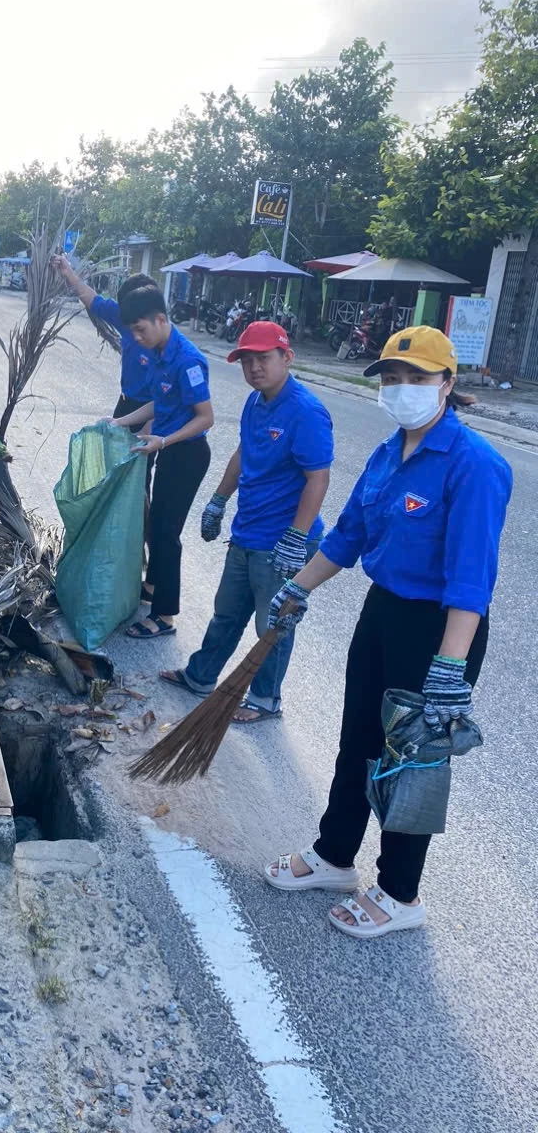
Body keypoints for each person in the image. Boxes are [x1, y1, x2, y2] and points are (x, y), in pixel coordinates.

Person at [264, 327, 511, 938]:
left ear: (447, 384)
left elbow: (470, 579)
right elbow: (348, 534)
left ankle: (401, 892)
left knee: (412, 760)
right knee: (359, 740)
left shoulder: (475, 465)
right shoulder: (386, 454)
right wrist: (298, 586)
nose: (402, 389)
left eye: (418, 378)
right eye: (393, 379)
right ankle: (334, 855)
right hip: (382, 613)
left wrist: (450, 668)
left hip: (439, 630)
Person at [160, 321, 333, 720]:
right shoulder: (255, 402)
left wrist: (296, 537)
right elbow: (242, 453)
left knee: (271, 626)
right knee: (227, 613)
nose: (255, 368)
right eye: (247, 361)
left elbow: (318, 479)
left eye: (264, 358)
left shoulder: (306, 412)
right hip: (247, 533)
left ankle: (265, 699)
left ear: (287, 358)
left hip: (283, 542)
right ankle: (201, 675)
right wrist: (218, 500)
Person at [107, 286, 213, 638]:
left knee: (167, 534)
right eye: (132, 331)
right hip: (167, 448)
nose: (137, 338)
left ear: (161, 319)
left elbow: (206, 417)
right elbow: (159, 403)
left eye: (141, 329)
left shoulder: (188, 360)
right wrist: (120, 421)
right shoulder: (158, 353)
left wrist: (164, 441)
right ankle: (152, 586)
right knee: (155, 524)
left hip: (188, 454)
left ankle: (164, 616)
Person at [52, 254, 159, 423]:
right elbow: (93, 300)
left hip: (151, 412)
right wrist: (67, 271)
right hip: (126, 402)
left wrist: (148, 427)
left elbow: (169, 398)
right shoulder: (125, 316)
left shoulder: (167, 344)